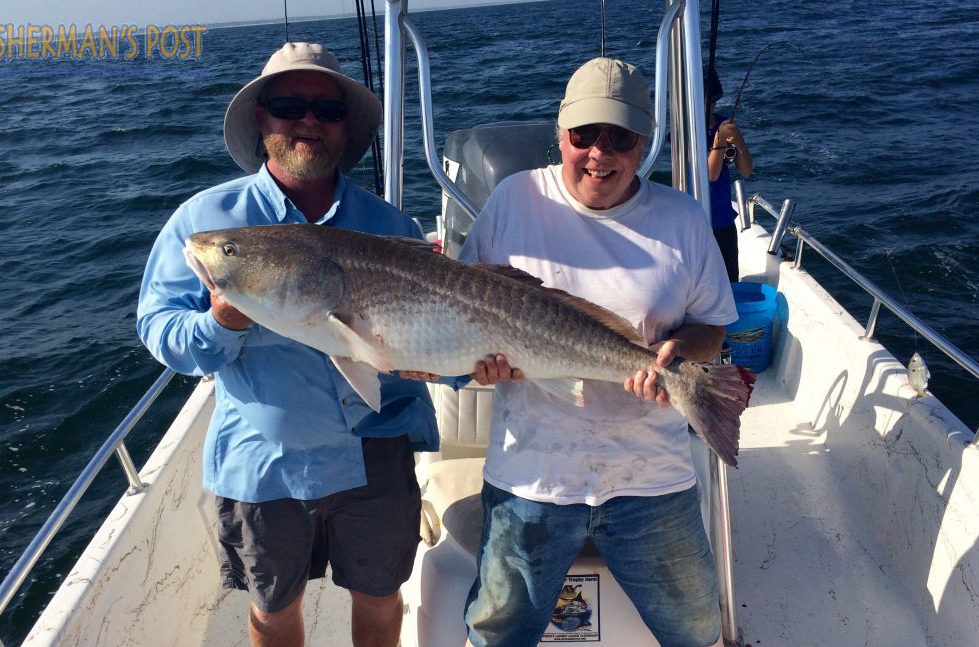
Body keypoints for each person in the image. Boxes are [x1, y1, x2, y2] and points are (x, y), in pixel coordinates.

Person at [136, 43, 438, 647]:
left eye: (326, 108)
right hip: (267, 458)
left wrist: (464, 369)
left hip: (376, 446)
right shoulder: (211, 222)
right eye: (287, 105)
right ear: (260, 118)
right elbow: (159, 330)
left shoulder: (390, 226)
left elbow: (431, 345)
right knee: (273, 607)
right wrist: (224, 320)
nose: (307, 120)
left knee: (381, 597)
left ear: (344, 126)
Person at [456, 58, 738, 647]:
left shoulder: (682, 220)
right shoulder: (512, 201)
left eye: (621, 138)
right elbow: (463, 303)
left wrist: (670, 355)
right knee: (497, 635)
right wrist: (480, 362)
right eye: (584, 135)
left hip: (650, 476)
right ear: (559, 133)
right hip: (532, 475)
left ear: (646, 142)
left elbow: (711, 327)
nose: (598, 154)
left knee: (698, 630)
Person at [705, 67, 753, 283]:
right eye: (707, 101)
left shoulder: (725, 125)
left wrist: (738, 138)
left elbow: (746, 170)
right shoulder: (684, 131)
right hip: (698, 223)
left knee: (730, 282)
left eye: (713, 101)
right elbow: (710, 175)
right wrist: (720, 141)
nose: (710, 107)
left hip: (724, 222)